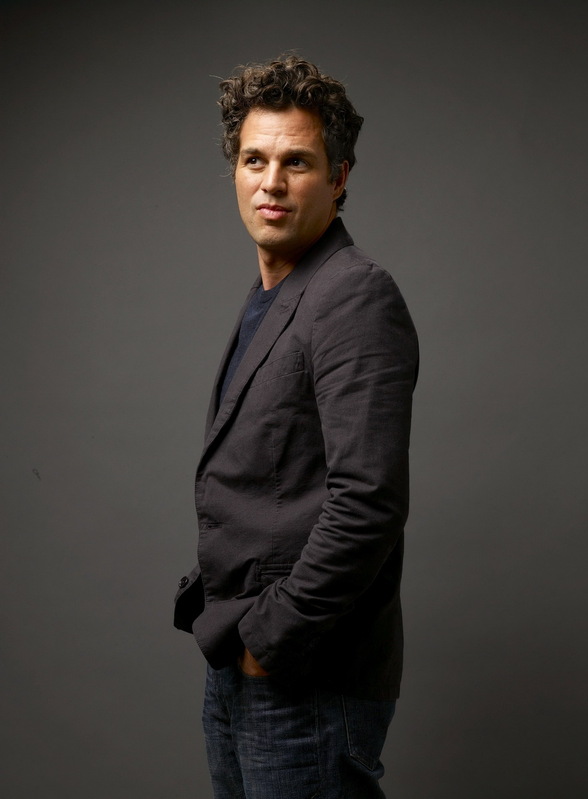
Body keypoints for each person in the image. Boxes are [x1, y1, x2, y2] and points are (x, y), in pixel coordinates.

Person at [174, 55, 419, 799]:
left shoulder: (354, 296)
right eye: (255, 159)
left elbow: (367, 501)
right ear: (235, 171)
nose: (271, 182)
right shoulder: (274, 295)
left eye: (297, 163)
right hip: (243, 658)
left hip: (304, 674)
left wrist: (269, 640)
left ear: (339, 178)